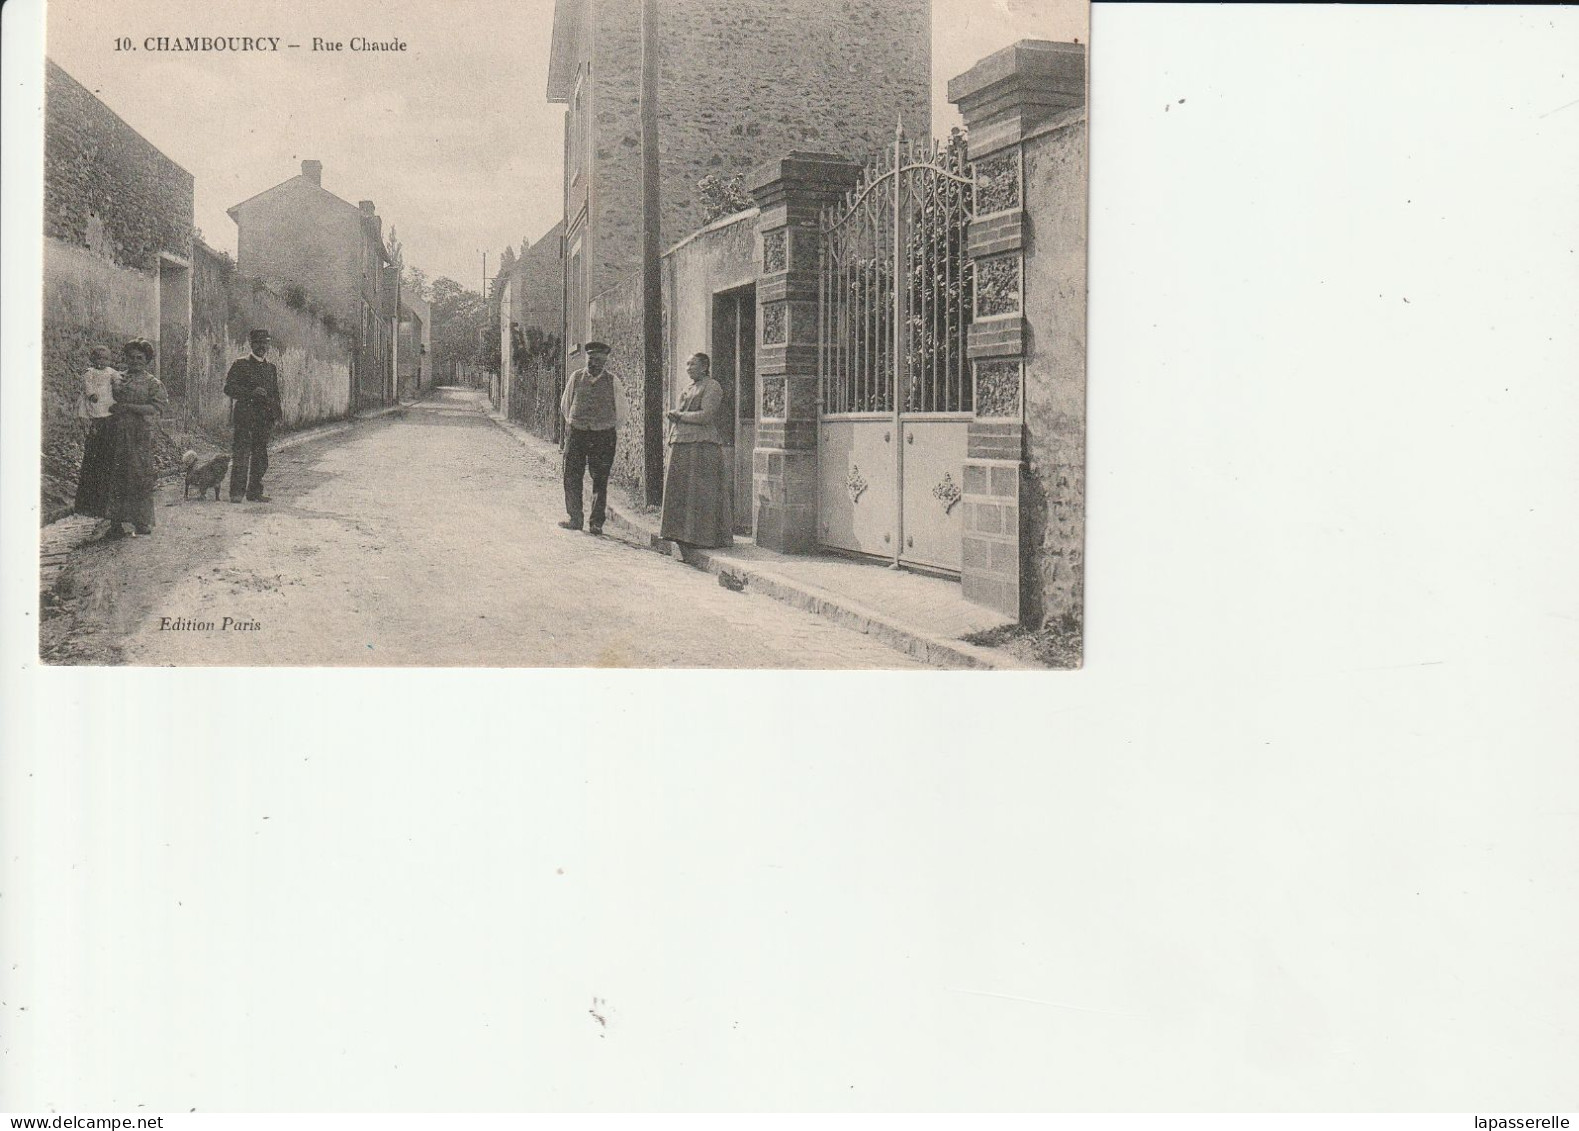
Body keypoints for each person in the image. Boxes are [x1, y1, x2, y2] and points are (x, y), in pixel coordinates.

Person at [660, 352, 733, 550]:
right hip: (682, 442)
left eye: (692, 364)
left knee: (700, 492)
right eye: (687, 364)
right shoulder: (688, 388)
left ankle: (703, 537)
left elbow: (706, 415)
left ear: (704, 366)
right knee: (682, 491)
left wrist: (680, 416)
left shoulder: (712, 386)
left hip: (702, 445)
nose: (688, 368)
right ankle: (682, 534)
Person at [558, 341, 626, 535]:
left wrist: (605, 426)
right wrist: (575, 422)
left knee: (600, 477)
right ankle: (574, 518)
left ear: (605, 361)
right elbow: (566, 404)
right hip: (577, 432)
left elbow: (621, 412)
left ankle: (596, 522)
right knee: (572, 475)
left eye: (597, 360)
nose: (592, 363)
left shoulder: (613, 382)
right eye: (590, 359)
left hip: (603, 435)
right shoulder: (576, 377)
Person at [102, 338, 167, 539]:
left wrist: (129, 408)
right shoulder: (116, 378)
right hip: (117, 432)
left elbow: (156, 408)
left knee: (139, 475)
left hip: (139, 434)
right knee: (116, 475)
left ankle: (141, 522)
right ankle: (115, 523)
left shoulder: (152, 383)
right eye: (131, 357)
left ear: (147, 360)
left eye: (140, 358)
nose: (135, 361)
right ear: (126, 358)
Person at [225, 328, 283, 503]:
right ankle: (236, 493)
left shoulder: (270, 368)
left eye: (265, 343)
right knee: (241, 454)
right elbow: (228, 388)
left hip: (263, 419)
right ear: (251, 344)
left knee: (260, 457)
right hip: (244, 417)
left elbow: (275, 394)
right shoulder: (240, 364)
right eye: (258, 343)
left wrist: (276, 415)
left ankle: (254, 492)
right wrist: (251, 392)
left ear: (268, 345)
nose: (261, 346)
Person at [72, 346, 119, 519]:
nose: (102, 362)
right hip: (95, 404)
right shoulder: (89, 372)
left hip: (107, 405)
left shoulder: (110, 372)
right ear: (93, 360)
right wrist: (91, 394)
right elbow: (88, 385)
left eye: (105, 359)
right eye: (99, 359)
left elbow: (118, 378)